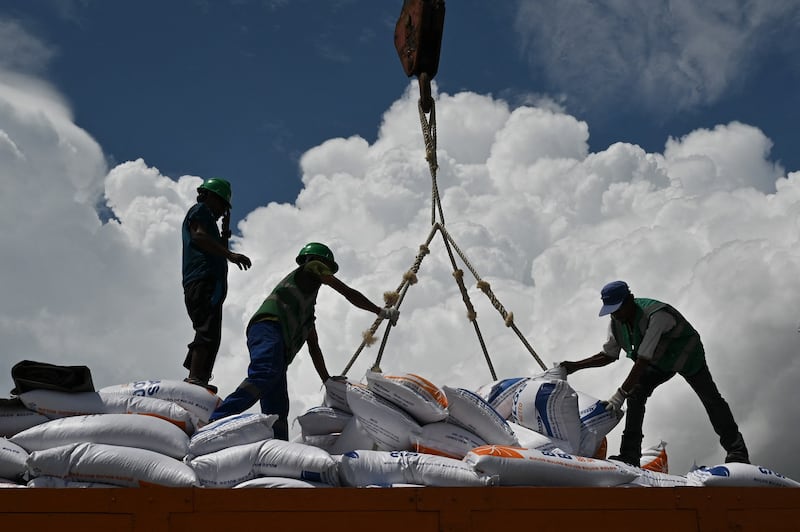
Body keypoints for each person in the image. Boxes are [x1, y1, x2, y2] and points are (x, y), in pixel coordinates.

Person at [208, 242, 399, 440]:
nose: (322, 269)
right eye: (321, 264)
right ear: (309, 262)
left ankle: (277, 445)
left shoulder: (306, 315)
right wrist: (380, 311)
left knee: (277, 404)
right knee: (265, 373)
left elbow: (314, 348)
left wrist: (327, 381)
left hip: (278, 347)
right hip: (268, 327)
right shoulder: (310, 267)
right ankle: (218, 418)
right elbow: (346, 291)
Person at [560, 280, 749, 466]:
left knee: (711, 399)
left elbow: (643, 360)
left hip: (687, 357)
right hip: (659, 362)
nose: (616, 315)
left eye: (618, 309)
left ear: (630, 300)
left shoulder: (656, 316)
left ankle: (737, 450)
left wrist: (619, 395)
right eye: (612, 311)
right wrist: (574, 366)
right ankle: (630, 455)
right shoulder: (617, 322)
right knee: (636, 394)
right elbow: (608, 355)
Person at [182, 177, 251, 393]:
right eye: (222, 204)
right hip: (202, 280)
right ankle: (195, 378)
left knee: (211, 332)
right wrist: (230, 254)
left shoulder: (210, 220)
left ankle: (199, 376)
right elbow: (199, 237)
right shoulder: (200, 210)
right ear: (211, 197)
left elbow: (212, 243)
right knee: (207, 330)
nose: (223, 211)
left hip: (210, 282)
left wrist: (225, 232)